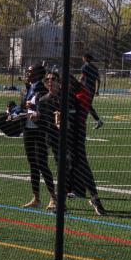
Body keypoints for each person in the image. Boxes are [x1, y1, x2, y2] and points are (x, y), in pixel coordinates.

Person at [52, 74, 106, 215]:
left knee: (79, 167)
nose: (60, 86)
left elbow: (74, 116)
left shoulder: (73, 97)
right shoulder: (62, 96)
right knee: (67, 168)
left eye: (61, 83)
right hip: (66, 136)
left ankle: (93, 198)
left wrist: (61, 120)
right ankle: (63, 201)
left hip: (74, 136)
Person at [21, 64, 56, 209]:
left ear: (37, 74)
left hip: (40, 130)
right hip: (28, 129)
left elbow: (45, 108)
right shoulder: (28, 88)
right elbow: (22, 105)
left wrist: (33, 107)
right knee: (32, 164)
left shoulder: (42, 89)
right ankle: (36, 198)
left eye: (30, 71)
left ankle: (53, 198)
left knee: (42, 164)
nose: (27, 73)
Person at [80, 53, 104, 130]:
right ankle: (97, 121)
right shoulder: (95, 68)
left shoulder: (84, 67)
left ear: (85, 58)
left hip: (85, 89)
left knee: (86, 105)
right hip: (92, 89)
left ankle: (97, 121)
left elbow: (82, 78)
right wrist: (97, 90)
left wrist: (77, 85)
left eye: (83, 57)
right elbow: (98, 80)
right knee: (87, 105)